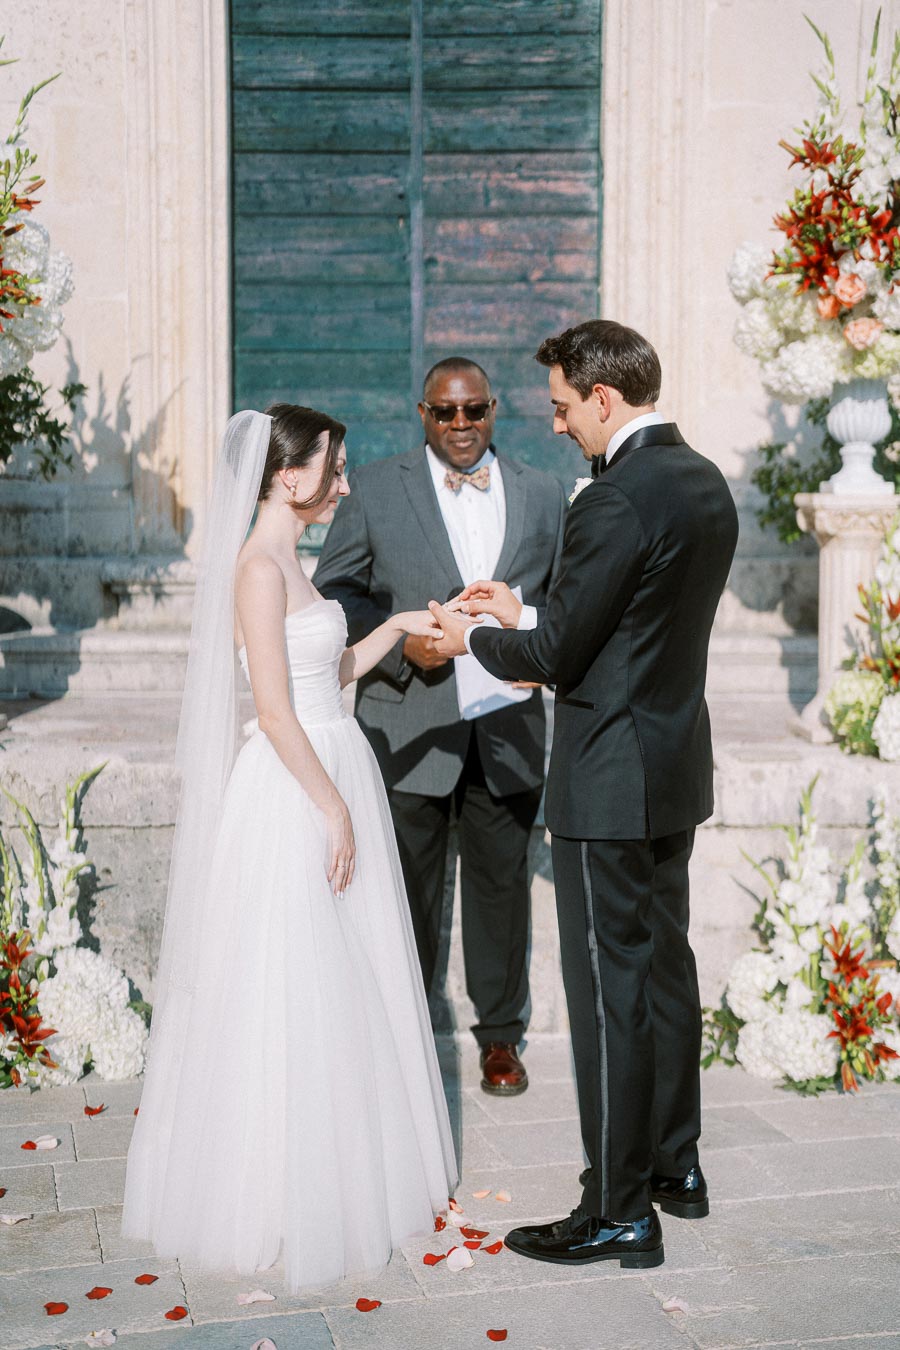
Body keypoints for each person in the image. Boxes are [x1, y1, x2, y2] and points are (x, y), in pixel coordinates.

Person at [122, 405, 457, 1293]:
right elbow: (272, 711)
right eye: (332, 468)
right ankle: (274, 1193)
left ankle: (347, 1170)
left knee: (345, 980)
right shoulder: (257, 569)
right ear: (287, 475)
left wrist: (393, 632)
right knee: (286, 986)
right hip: (294, 783)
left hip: (329, 760)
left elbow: (324, 675)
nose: (344, 483)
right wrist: (333, 808)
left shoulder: (295, 565)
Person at [430, 320, 739, 1269]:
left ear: (604, 399)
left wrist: (469, 638)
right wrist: (527, 611)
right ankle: (675, 1170)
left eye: (563, 406)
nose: (558, 426)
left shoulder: (612, 501)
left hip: (607, 776)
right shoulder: (702, 483)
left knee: (610, 989)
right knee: (666, 970)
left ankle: (617, 1209)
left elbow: (556, 657)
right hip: (673, 764)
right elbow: (629, 622)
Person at [314, 359, 566, 1095]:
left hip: (509, 726)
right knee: (408, 891)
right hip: (410, 725)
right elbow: (337, 594)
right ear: (422, 414)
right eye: (446, 413)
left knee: (501, 888)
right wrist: (400, 646)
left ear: (495, 411)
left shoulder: (543, 493)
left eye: (476, 411)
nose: (462, 425)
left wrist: (537, 655)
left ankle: (499, 1039)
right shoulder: (377, 489)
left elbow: (559, 601)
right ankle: (404, 1037)